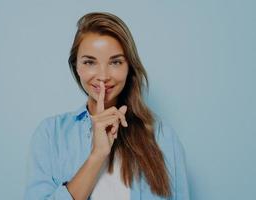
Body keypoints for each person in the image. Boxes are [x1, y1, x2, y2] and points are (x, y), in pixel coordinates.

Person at [24, 12, 189, 200]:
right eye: (90, 62)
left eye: (116, 62)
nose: (103, 75)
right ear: (76, 67)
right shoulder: (51, 134)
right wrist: (97, 154)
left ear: (129, 67)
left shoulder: (162, 137)